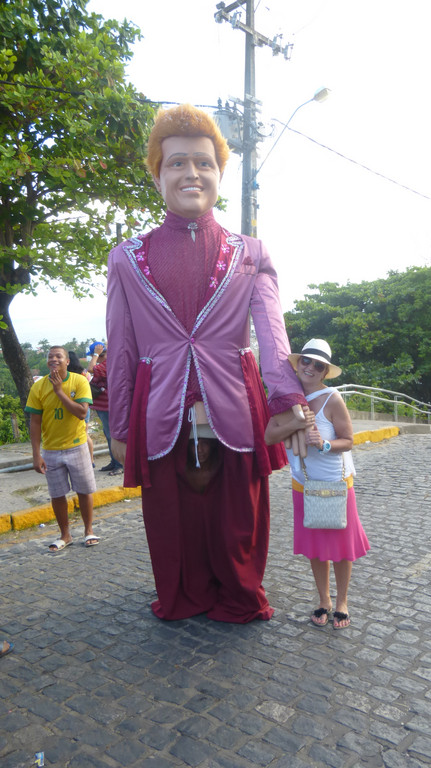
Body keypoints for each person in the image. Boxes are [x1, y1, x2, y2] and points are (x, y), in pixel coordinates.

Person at [105, 104, 306, 623]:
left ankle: (239, 593)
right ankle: (182, 592)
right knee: (171, 515)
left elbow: (273, 336)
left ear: (220, 173)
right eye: (176, 163)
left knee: (239, 511)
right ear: (157, 175)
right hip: (160, 401)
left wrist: (289, 401)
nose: (191, 173)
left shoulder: (250, 252)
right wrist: (122, 424)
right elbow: (121, 346)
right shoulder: (127, 257)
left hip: (235, 397)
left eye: (203, 163)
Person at [265, 339, 370, 630]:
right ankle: (323, 599)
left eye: (317, 365)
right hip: (304, 484)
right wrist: (296, 424)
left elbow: (348, 441)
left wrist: (323, 444)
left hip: (336, 483)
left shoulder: (332, 398)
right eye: (306, 361)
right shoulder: (285, 398)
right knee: (315, 547)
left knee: (340, 546)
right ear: (297, 364)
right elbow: (269, 436)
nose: (309, 367)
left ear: (325, 372)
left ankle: (343, 602)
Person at [24, 346, 100, 551]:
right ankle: (65, 535)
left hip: (77, 446)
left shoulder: (79, 381)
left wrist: (59, 391)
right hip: (51, 450)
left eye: (58, 356)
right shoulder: (38, 387)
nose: (53, 359)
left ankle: (88, 530)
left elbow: (82, 413)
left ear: (67, 361)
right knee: (57, 494)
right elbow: (35, 422)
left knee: (84, 491)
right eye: (50, 357)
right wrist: (36, 454)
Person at [87, 343, 123, 476]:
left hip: (108, 405)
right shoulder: (105, 364)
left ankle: (119, 464)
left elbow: (90, 369)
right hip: (103, 405)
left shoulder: (107, 364)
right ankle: (114, 462)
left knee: (112, 435)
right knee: (108, 435)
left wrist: (96, 355)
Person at [67, 350, 95, 467]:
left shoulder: (66, 374)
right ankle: (91, 460)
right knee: (85, 433)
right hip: (85, 405)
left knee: (75, 434)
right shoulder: (84, 373)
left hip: (71, 406)